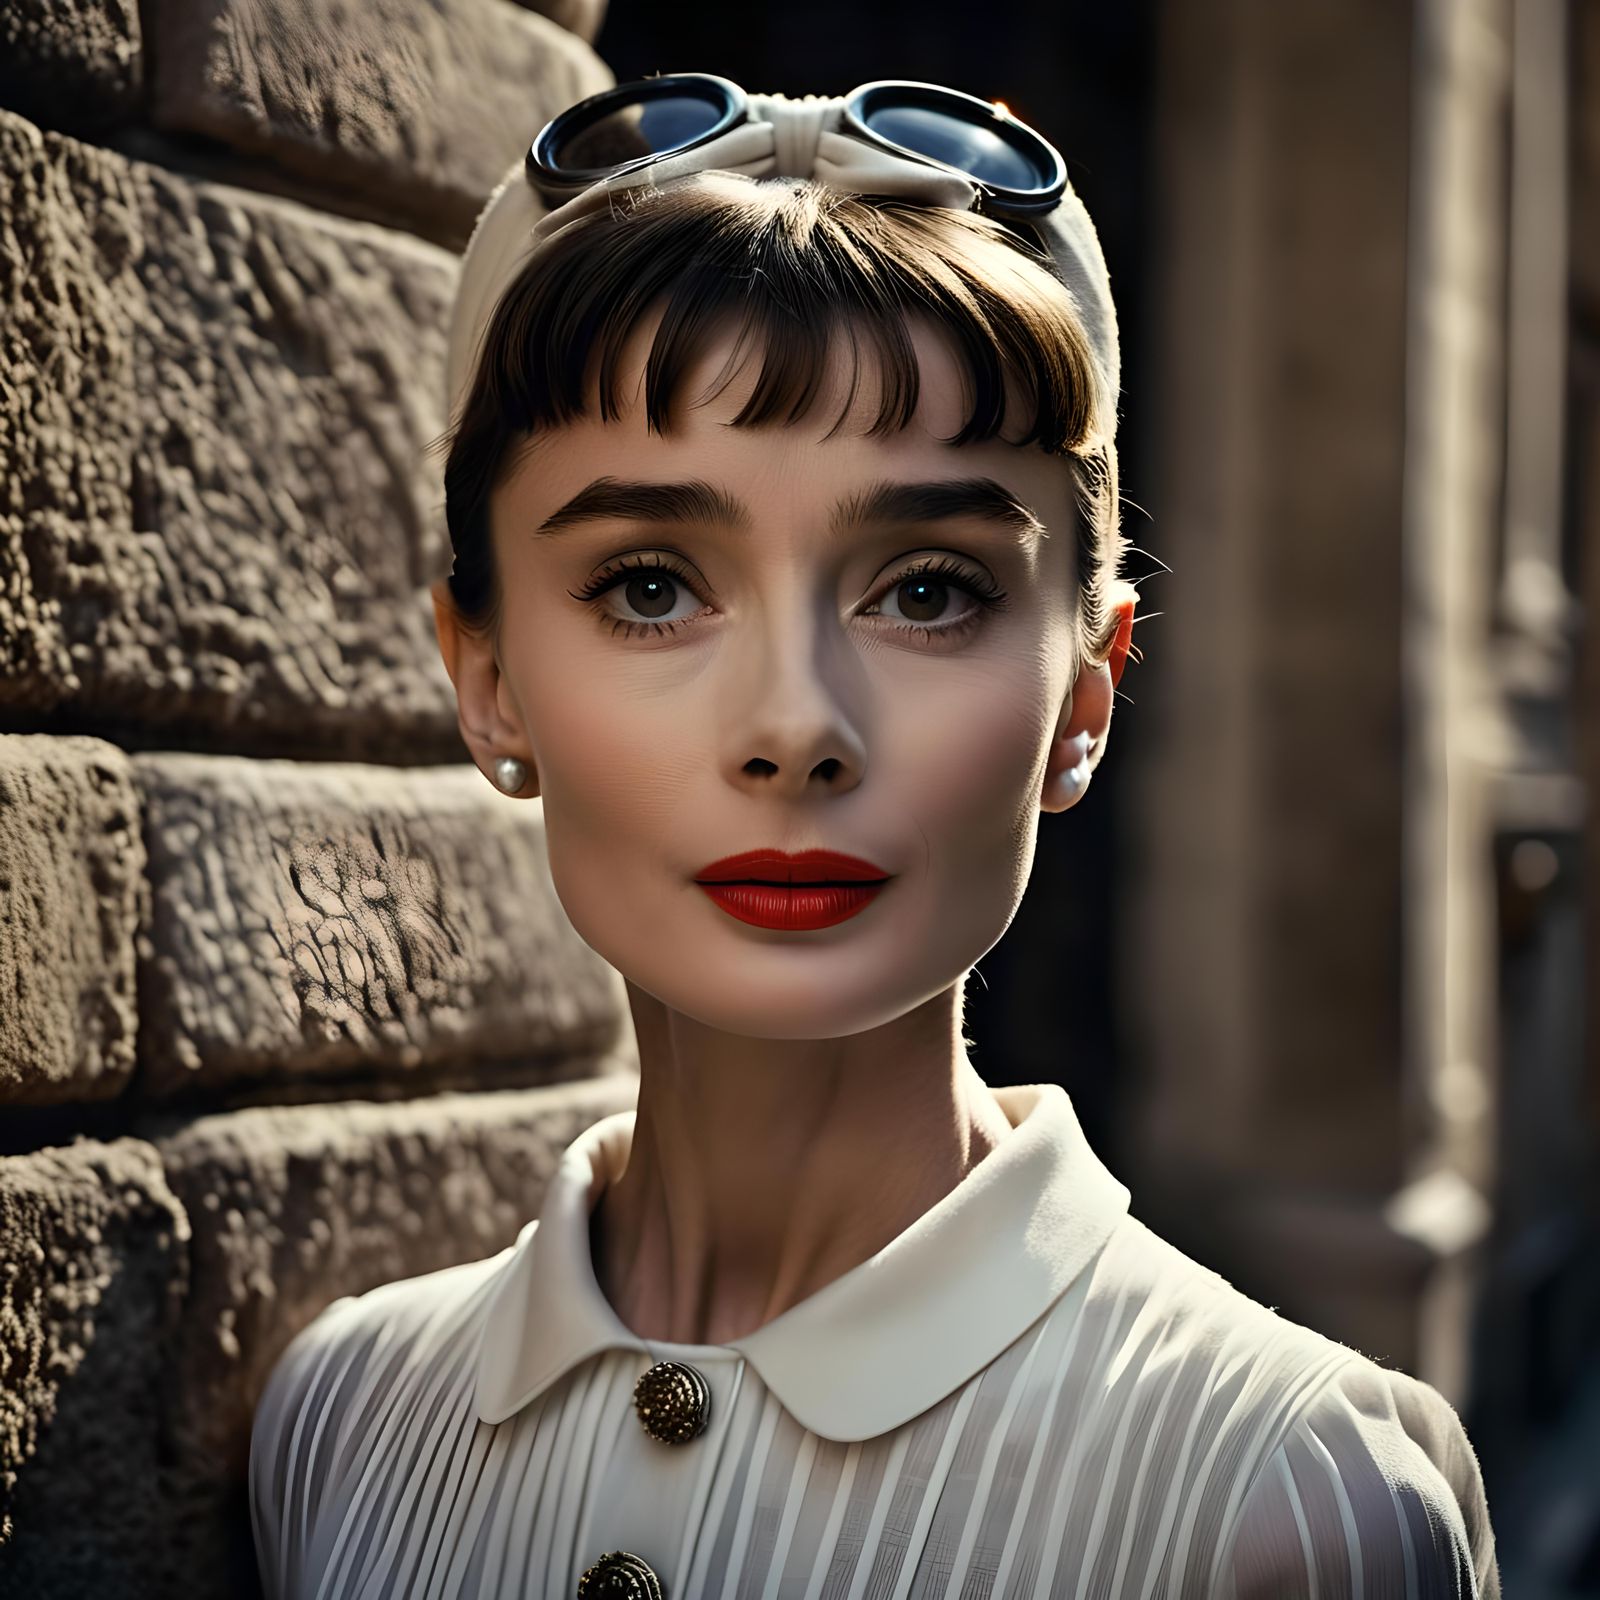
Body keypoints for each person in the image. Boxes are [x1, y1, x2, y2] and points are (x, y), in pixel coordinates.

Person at [248, 79, 1500, 1599]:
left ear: (1086, 694)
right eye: (650, 585)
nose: (795, 725)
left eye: (926, 589)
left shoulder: (1297, 1501)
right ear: (487, 677)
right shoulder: (340, 1426)